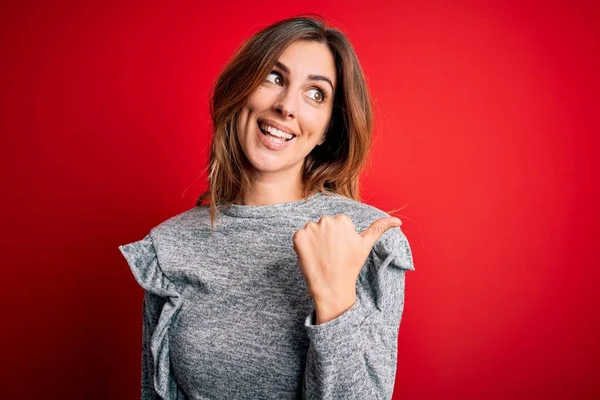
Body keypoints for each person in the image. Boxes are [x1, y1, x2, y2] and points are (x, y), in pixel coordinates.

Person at [118, 14, 415, 400]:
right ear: (242, 89)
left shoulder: (366, 241)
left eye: (315, 94)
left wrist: (335, 299)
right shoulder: (168, 247)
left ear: (328, 127)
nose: (286, 107)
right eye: (274, 77)